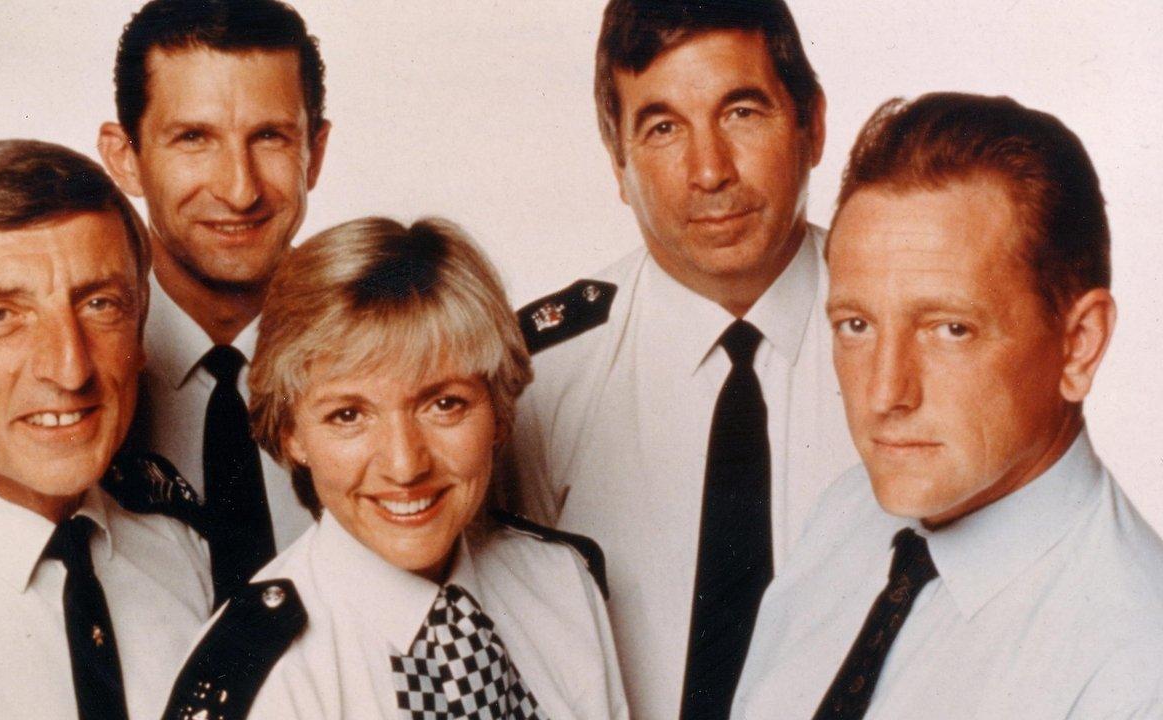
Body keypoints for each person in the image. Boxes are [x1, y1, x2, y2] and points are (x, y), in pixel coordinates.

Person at [732, 93, 1163, 719]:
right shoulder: (845, 515)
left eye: (950, 329)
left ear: (1079, 345)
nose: (884, 394)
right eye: (856, 325)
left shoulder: (1138, 670)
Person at [508, 1, 856, 716]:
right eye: (663, 128)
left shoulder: (910, 343)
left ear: (813, 125)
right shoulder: (536, 381)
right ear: (619, 163)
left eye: (742, 113)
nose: (709, 170)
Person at [160, 217, 629, 719]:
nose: (405, 466)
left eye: (444, 404)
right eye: (349, 415)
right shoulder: (253, 673)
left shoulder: (561, 582)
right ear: (292, 432)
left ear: (497, 407)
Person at [0, 140, 214, 719]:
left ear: (140, 325)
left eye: (100, 304)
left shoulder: (182, 555)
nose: (70, 368)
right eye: (0, 315)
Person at [97, 0, 330, 602]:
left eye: (270, 137)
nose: (239, 189)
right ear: (125, 158)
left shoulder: (385, 354)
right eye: (193, 138)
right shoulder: (75, 372)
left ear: (316, 153)